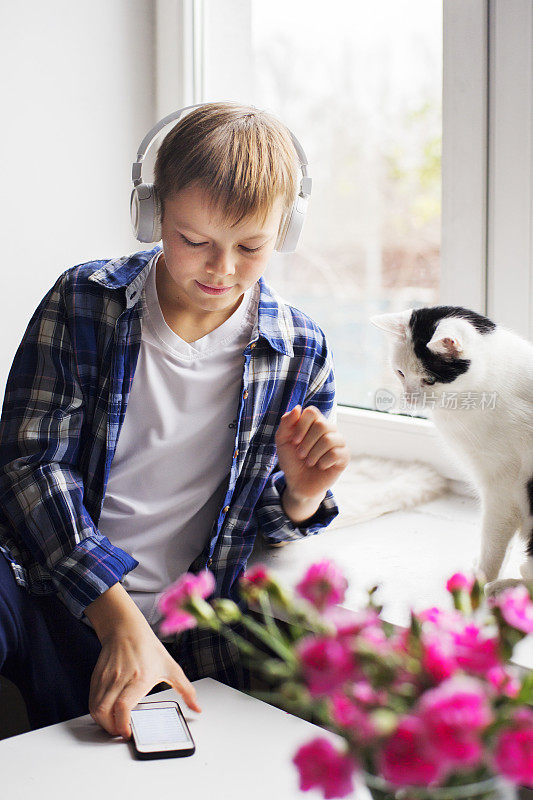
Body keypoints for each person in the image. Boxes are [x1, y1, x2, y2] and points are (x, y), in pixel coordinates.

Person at [0, 102, 350, 742]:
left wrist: (302, 493)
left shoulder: (300, 349)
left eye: (250, 247)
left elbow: (268, 523)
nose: (221, 269)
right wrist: (115, 616)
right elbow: (28, 466)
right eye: (195, 240)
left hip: (187, 626)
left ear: (287, 230)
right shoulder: (85, 301)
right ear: (151, 214)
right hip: (48, 588)